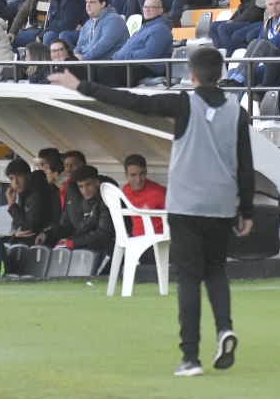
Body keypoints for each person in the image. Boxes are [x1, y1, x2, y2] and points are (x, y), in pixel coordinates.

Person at [51, 47, 254, 377]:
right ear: (220, 72)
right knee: (216, 271)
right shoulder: (236, 112)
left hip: (187, 204)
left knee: (188, 277)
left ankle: (190, 357)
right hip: (220, 204)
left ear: (192, 74)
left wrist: (81, 86)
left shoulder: (183, 103)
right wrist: (246, 210)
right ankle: (225, 329)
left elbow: (134, 102)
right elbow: (246, 166)